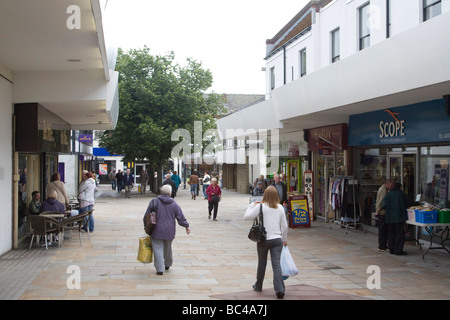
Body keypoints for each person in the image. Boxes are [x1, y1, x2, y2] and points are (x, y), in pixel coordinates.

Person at [244, 186, 288, 299]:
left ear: (265, 195)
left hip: (264, 240)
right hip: (277, 240)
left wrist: (252, 205)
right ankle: (280, 290)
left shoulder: (260, 206)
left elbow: (246, 217)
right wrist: (284, 239)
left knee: (262, 264)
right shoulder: (280, 207)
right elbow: (285, 226)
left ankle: (258, 285)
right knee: (276, 265)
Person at [144, 184, 190, 275]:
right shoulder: (174, 204)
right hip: (169, 230)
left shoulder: (154, 201)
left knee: (158, 249)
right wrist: (186, 226)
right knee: (167, 248)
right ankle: (168, 263)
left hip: (156, 230)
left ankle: (160, 269)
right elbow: (180, 216)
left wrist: (146, 226)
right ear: (170, 193)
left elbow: (146, 216)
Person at [382, 182, 414, 256]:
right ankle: (398, 250)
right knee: (399, 234)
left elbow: (384, 205)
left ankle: (391, 249)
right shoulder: (401, 194)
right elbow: (409, 203)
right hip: (399, 217)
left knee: (391, 234)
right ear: (399, 187)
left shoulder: (388, 195)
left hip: (390, 218)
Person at [375, 179, 393, 252]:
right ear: (387, 184)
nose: (391, 187)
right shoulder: (384, 190)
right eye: (390, 185)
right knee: (383, 230)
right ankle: (382, 246)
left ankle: (382, 245)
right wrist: (378, 210)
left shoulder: (382, 188)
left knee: (382, 229)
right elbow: (381, 201)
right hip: (382, 212)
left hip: (381, 212)